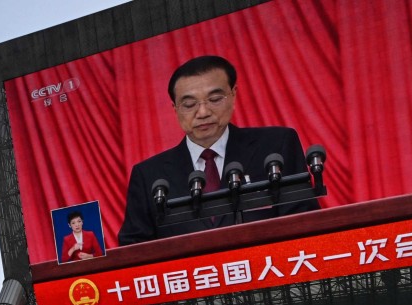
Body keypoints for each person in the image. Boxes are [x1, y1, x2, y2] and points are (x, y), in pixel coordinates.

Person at [118, 55, 318, 245]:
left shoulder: (276, 146)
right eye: (189, 104)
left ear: (233, 95)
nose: (203, 112)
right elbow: (134, 248)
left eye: (214, 99)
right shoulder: (149, 175)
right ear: (175, 108)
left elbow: (303, 221)